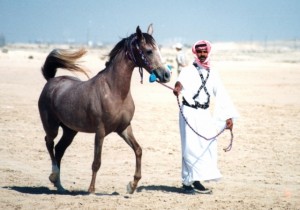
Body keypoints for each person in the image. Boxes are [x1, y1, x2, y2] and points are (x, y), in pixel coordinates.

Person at [173, 40, 239, 194]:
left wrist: (228, 117)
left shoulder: (213, 72)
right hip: (189, 112)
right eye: (199, 52)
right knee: (189, 146)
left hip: (204, 113)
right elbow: (179, 83)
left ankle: (197, 180)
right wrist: (177, 88)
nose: (202, 55)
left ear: (208, 52)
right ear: (195, 53)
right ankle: (187, 182)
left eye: (205, 52)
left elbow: (222, 94)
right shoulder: (188, 70)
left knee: (207, 144)